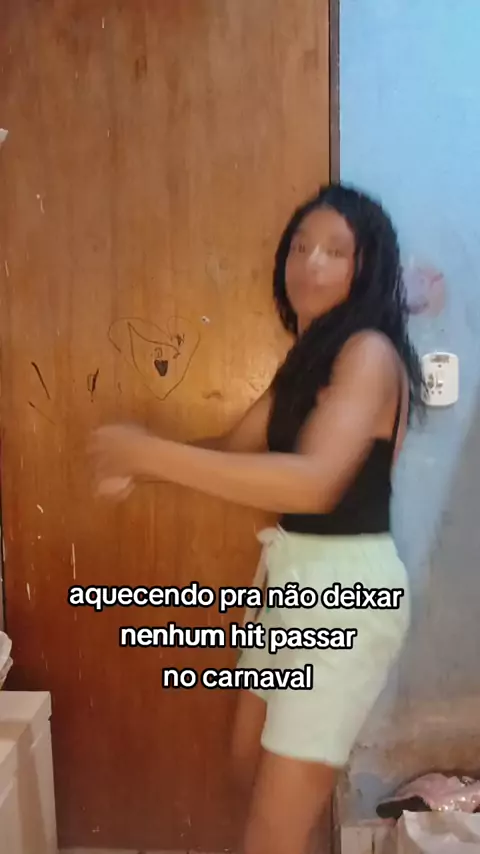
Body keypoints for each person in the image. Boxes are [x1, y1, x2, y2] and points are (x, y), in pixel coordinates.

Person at [89, 183, 425, 854]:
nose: (310, 263)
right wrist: (141, 463)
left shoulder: (369, 354)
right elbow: (234, 449)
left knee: (272, 829)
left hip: (347, 593)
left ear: (367, 268)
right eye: (299, 247)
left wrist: (149, 453)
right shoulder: (307, 361)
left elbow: (314, 484)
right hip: (294, 581)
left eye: (335, 251)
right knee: (247, 767)